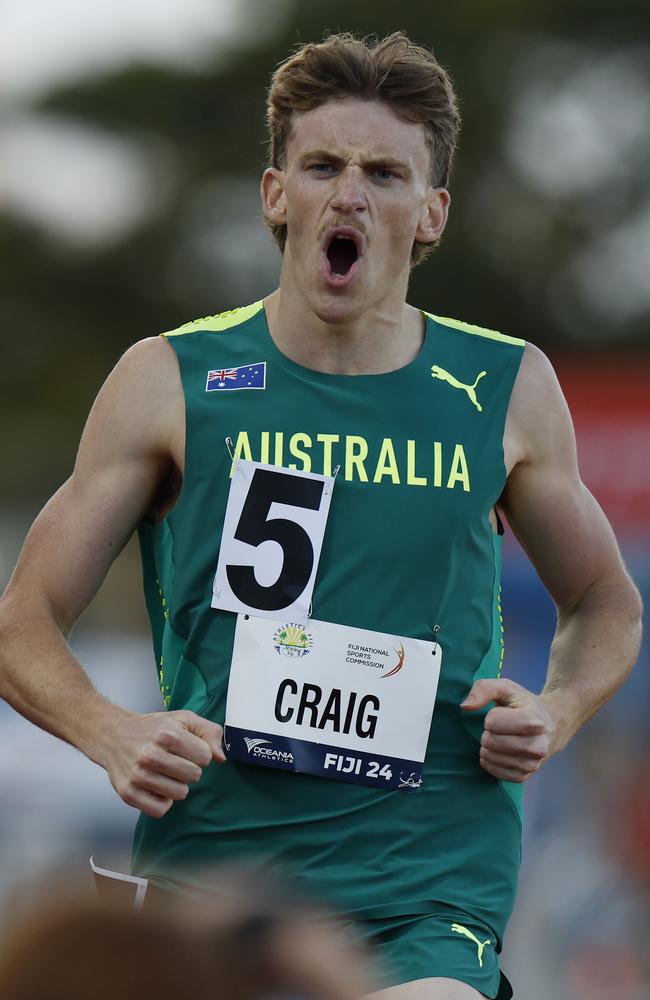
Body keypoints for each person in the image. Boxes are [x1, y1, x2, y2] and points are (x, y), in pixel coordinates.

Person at [0, 30, 642, 1000]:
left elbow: (605, 601)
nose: (349, 193)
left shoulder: (502, 386)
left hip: (426, 886)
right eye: (322, 165)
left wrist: (553, 708)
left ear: (429, 215)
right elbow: (22, 623)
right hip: (216, 882)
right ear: (275, 195)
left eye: (383, 172)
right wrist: (109, 730)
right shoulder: (170, 381)